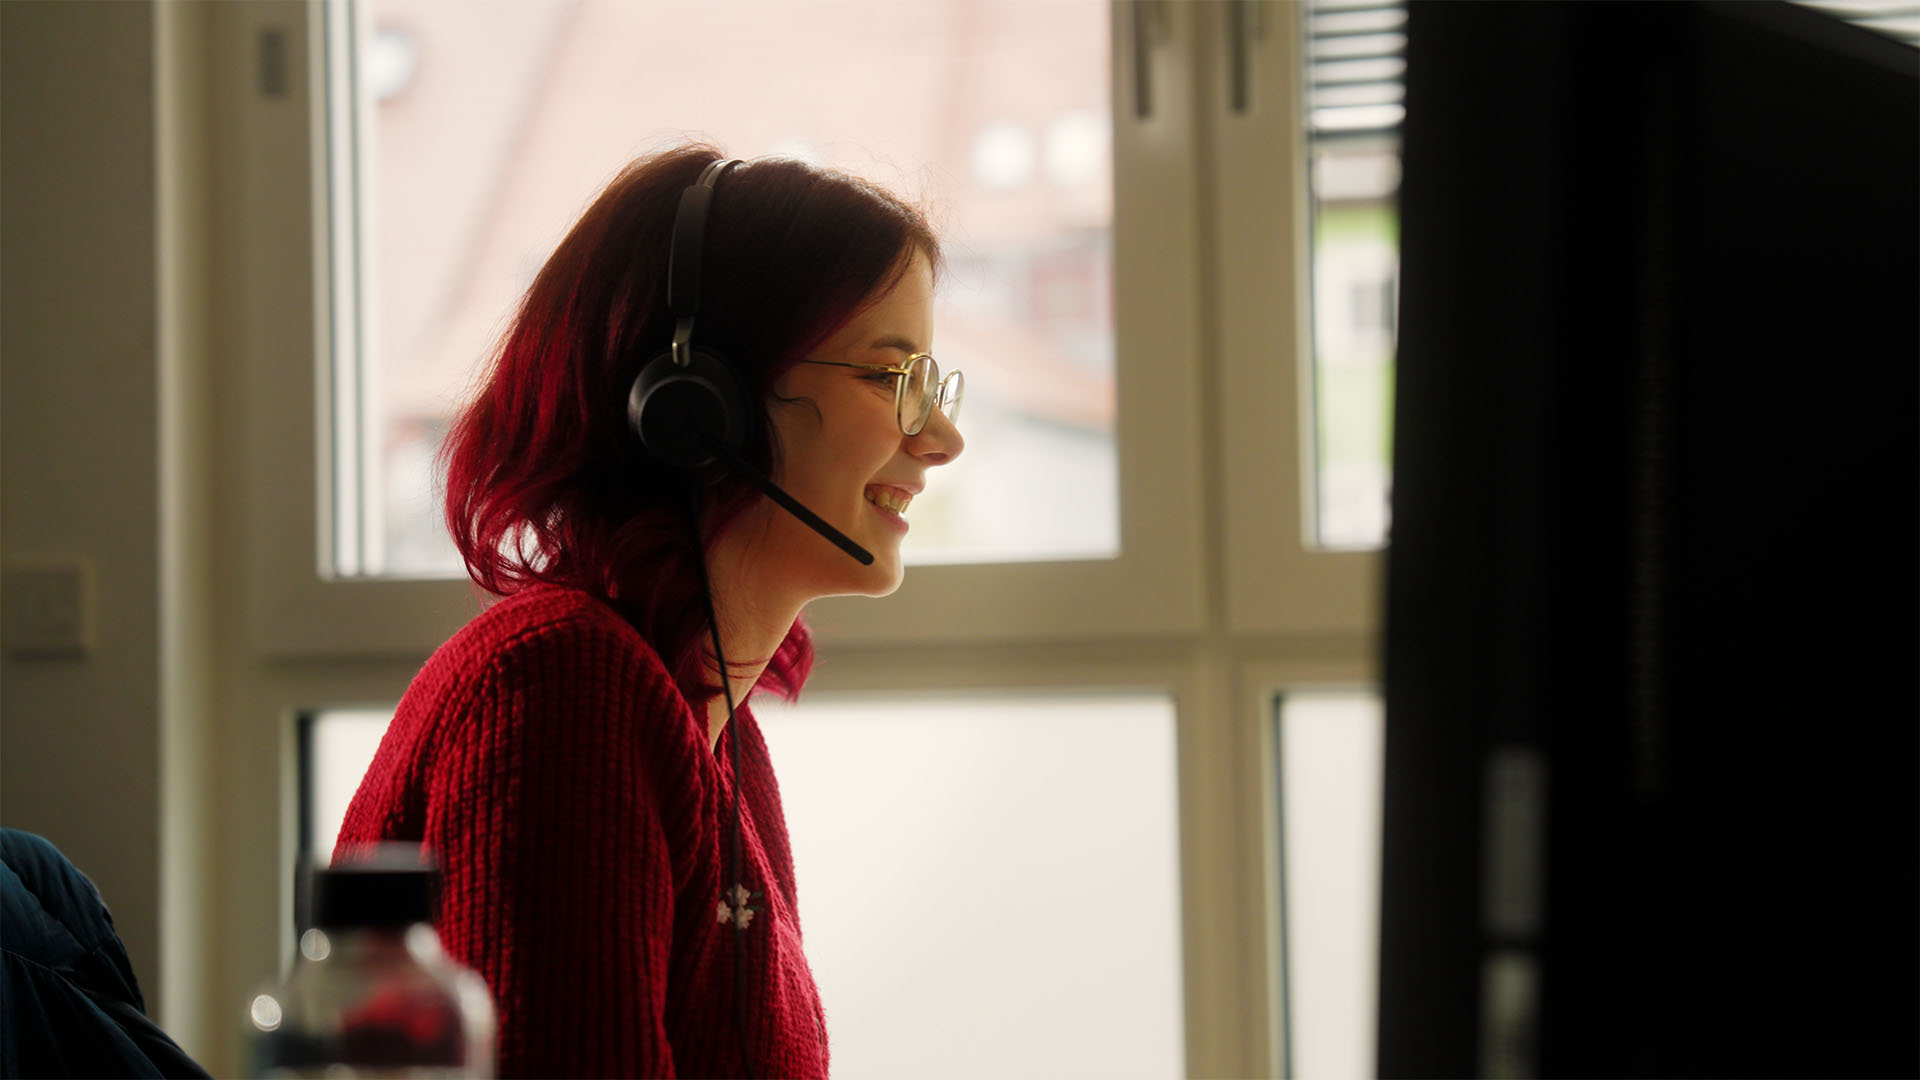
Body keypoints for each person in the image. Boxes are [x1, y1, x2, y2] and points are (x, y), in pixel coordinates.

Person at [334, 144, 964, 1078]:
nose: (943, 439)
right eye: (889, 378)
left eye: (933, 385)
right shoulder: (559, 687)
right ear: (699, 402)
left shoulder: (713, 735)